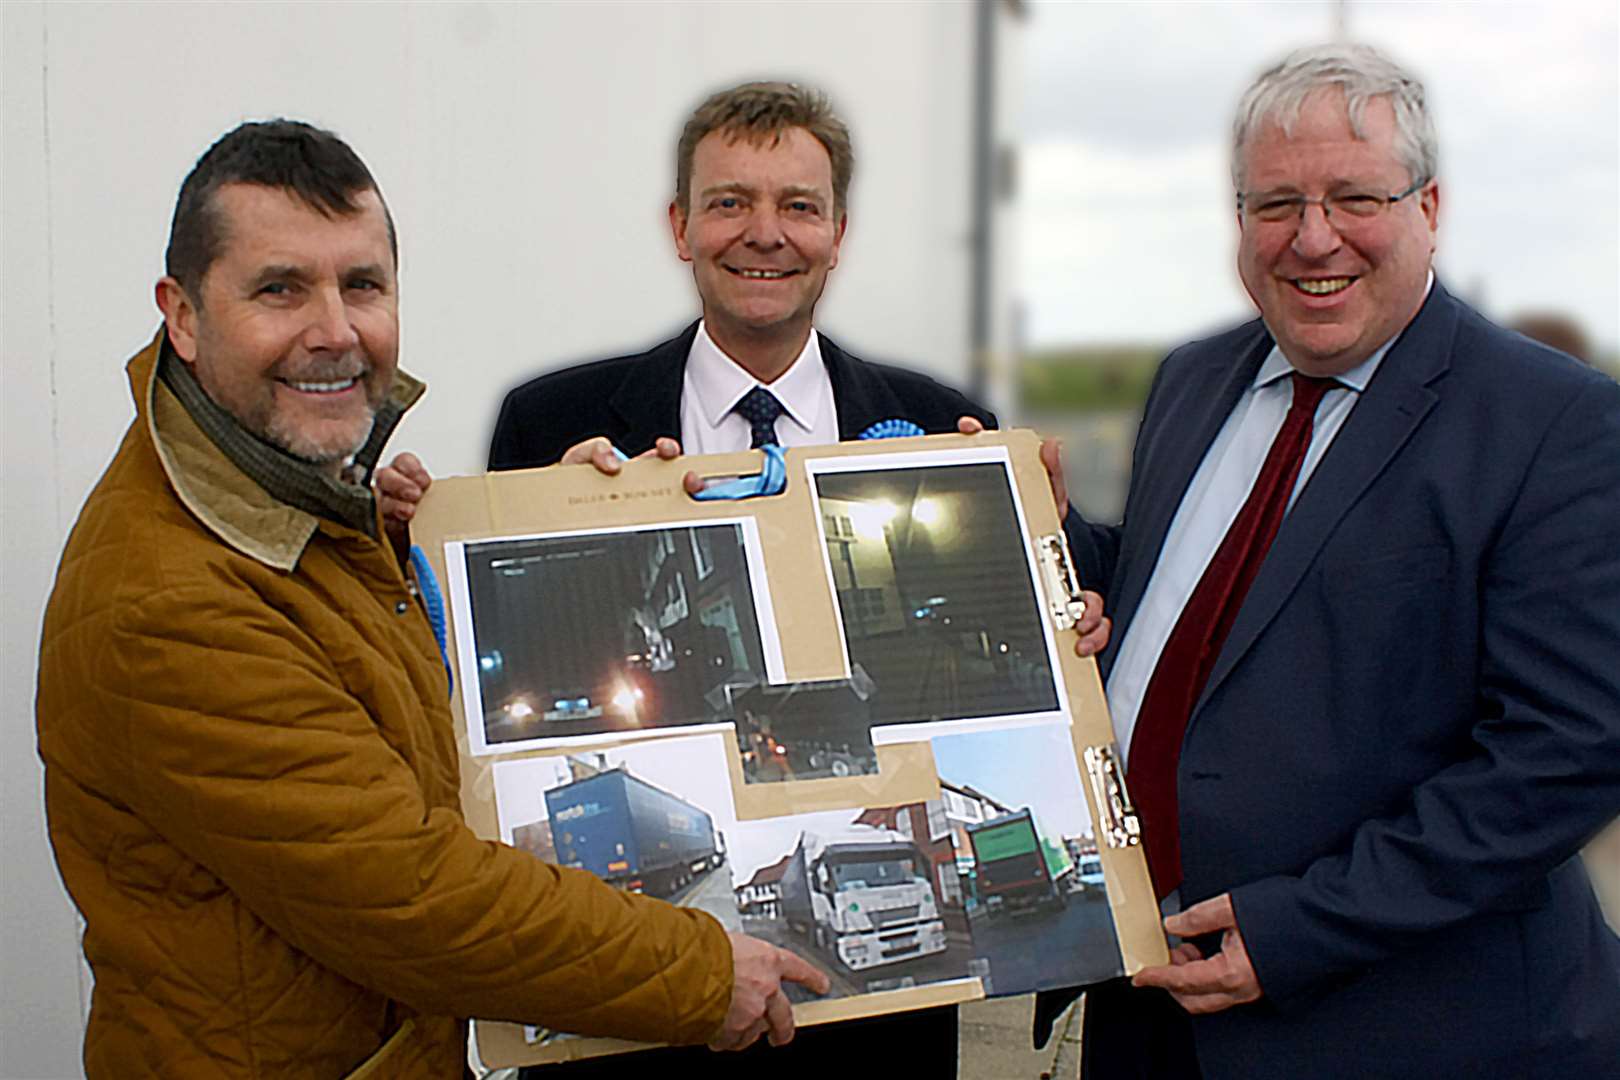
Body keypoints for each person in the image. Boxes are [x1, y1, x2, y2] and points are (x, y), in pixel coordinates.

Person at [34, 119, 826, 1080]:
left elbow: (399, 727)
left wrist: (554, 535)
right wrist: (702, 971)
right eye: (280, 288)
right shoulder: (170, 600)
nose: (335, 330)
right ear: (184, 314)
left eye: (362, 285)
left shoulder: (302, 508)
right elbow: (416, 898)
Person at [428, 80, 1106, 1077]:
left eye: (798, 205)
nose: (765, 234)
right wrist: (561, 532)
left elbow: (1043, 622)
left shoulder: (933, 424)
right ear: (680, 226)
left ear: (838, 233)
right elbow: (501, 664)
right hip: (635, 1026)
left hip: (875, 1036)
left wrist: (1069, 600)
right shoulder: (550, 424)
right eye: (730, 201)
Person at [1032, 43, 1620, 1079]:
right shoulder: (1195, 378)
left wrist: (1302, 927)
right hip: (1150, 1007)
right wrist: (1044, 533)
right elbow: (1189, 601)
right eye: (1275, 204)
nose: (1312, 239)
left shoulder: (1553, 423)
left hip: (1400, 1025)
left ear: (1428, 208)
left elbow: (1566, 751)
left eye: (1354, 196)